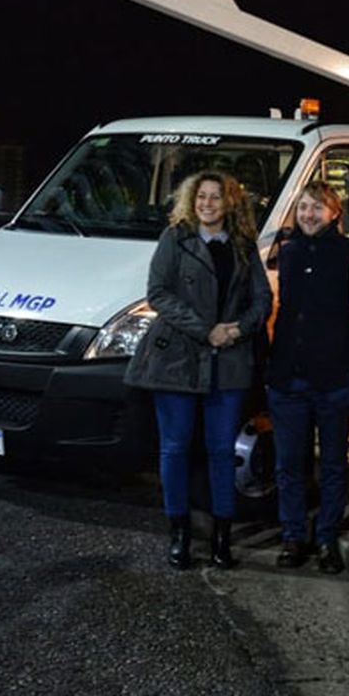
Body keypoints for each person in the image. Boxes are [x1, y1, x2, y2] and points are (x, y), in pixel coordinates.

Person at [126, 171, 271, 570]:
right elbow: (158, 293)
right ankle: (180, 535)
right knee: (174, 449)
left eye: (216, 197)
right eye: (202, 196)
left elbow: (263, 298)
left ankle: (223, 538)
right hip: (177, 359)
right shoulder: (175, 238)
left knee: (222, 451)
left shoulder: (243, 245)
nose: (208, 203)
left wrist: (238, 329)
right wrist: (206, 330)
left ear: (229, 203)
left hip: (229, 361)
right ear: (193, 200)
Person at [267, 182, 349, 574]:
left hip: (333, 376)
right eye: (304, 207)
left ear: (334, 213)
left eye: (317, 208)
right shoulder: (288, 253)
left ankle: (326, 537)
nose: (309, 214)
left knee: (332, 465)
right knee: (289, 464)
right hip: (288, 378)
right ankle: (293, 536)